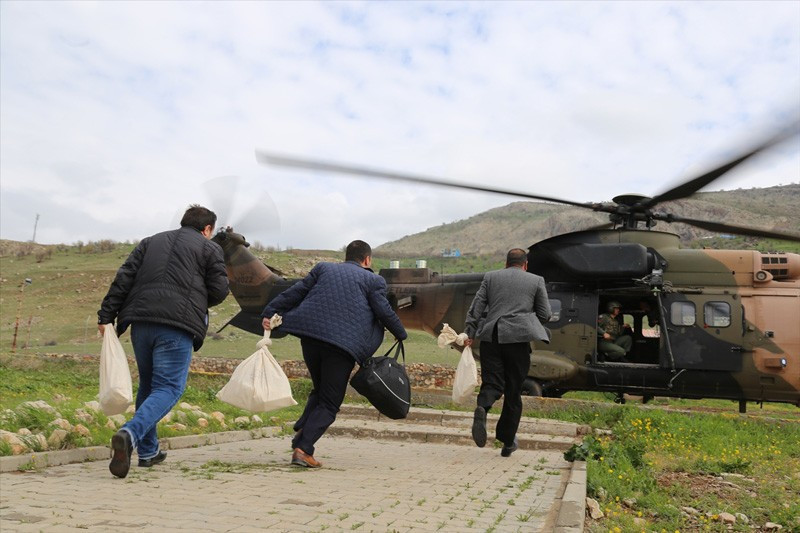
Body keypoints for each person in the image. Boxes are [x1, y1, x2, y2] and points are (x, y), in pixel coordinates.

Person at [98, 205, 229, 478]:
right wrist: (196, 299)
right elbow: (219, 290)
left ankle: (148, 452)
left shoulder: (151, 241)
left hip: (141, 324)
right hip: (176, 326)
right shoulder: (209, 249)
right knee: (169, 387)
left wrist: (106, 315)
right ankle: (130, 434)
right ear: (207, 229)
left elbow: (124, 278)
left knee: (149, 385)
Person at [261, 240, 407, 468]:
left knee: (321, 391)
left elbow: (296, 292)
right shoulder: (374, 280)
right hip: (341, 347)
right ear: (367, 260)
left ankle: (302, 432)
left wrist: (270, 311)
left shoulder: (323, 268)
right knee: (330, 402)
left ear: (346, 257)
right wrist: (401, 334)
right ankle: (303, 449)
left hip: (310, 338)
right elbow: (384, 311)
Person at [463, 248, 551, 457]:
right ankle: (507, 440)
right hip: (518, 340)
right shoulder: (536, 280)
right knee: (514, 390)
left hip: (491, 336)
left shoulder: (491, 277)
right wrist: (528, 321)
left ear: (506, 263)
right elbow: (545, 314)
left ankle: (483, 407)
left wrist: (470, 331)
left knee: (493, 381)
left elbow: (476, 307)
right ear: (525, 264)